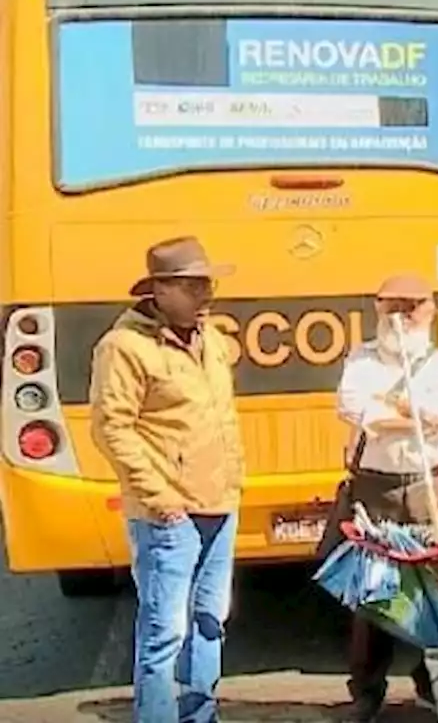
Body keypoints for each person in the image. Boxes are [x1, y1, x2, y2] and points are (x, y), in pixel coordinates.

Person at [89, 236, 243, 723]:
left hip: (220, 503)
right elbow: (111, 428)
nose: (207, 296)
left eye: (208, 284)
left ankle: (201, 716)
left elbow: (222, 415)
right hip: (166, 515)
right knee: (164, 634)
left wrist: (234, 479)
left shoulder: (211, 339)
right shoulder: (124, 347)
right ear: (159, 289)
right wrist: (162, 499)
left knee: (209, 622)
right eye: (193, 286)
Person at [332, 274, 438, 722]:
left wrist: (393, 412)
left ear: (430, 310)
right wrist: (413, 414)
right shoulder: (362, 359)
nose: (401, 316)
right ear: (377, 308)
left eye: (412, 306)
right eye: (392, 306)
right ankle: (366, 693)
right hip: (376, 485)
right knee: (373, 591)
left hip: (433, 485)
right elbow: (352, 404)